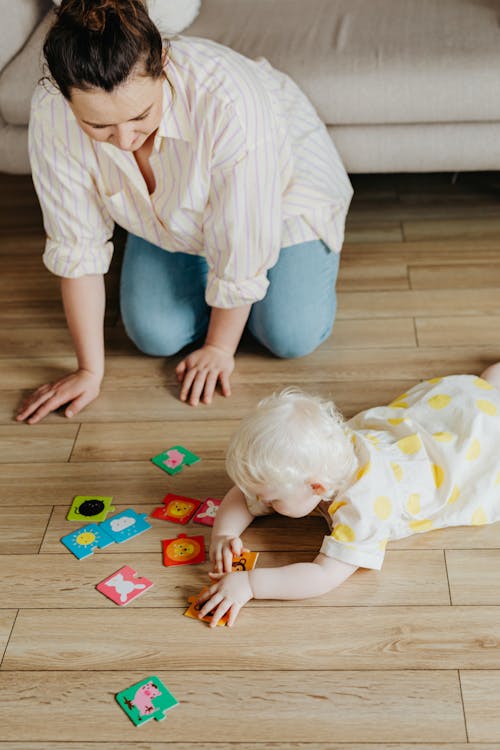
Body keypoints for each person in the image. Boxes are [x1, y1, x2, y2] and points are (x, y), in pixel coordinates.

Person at [16, 0, 352, 425]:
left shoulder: (229, 104)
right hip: (168, 209)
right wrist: (89, 370)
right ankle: (184, 247)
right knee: (155, 335)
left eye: (140, 116)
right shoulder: (52, 111)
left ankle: (239, 293)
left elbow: (242, 242)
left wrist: (219, 349)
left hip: (281, 193)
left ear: (162, 66)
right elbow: (76, 245)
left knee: (290, 334)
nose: (123, 141)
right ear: (65, 96)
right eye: (99, 127)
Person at [197, 370, 500, 626]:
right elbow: (242, 494)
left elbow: (323, 575)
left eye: (272, 500)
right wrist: (224, 533)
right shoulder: (317, 458)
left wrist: (251, 584)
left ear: (316, 488)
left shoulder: (364, 507)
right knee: (485, 389)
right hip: (448, 408)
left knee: (487, 419)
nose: (262, 503)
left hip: (470, 449)